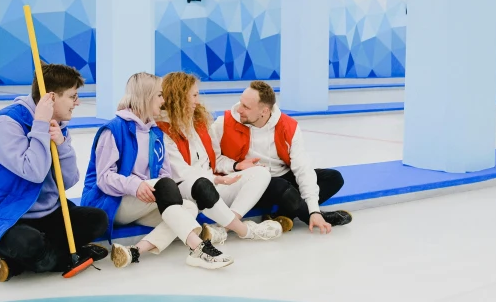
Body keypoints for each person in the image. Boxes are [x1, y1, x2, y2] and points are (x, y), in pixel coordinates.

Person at [0, 63, 108, 282]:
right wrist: (39, 125)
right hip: (5, 215)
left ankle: (24, 260)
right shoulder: (6, 124)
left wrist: (62, 145)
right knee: (31, 245)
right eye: (72, 96)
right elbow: (35, 172)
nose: (77, 103)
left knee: (97, 220)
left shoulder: (57, 123)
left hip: (45, 213)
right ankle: (48, 256)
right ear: (51, 98)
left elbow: (68, 181)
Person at [81, 72, 232, 270]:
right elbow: (104, 178)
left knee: (189, 208)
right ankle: (199, 248)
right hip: (113, 203)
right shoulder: (113, 129)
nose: (163, 101)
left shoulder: (155, 133)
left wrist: (149, 188)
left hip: (144, 199)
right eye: (159, 95)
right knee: (167, 189)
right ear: (146, 97)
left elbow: (164, 174)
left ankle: (134, 251)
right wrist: (136, 185)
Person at [211, 80, 352, 234]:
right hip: (251, 182)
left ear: (264, 111)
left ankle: (282, 215)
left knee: (334, 178)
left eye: (246, 107)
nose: (239, 109)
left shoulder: (288, 126)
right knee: (282, 188)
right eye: (240, 102)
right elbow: (214, 161)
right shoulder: (223, 124)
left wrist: (313, 208)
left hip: (282, 176)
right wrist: (236, 165)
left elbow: (302, 167)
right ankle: (311, 216)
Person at [157, 72, 282, 243]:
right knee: (201, 184)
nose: (197, 100)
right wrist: (216, 179)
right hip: (188, 192)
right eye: (194, 95)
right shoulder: (162, 130)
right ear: (179, 96)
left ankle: (225, 227)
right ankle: (244, 230)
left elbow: (215, 160)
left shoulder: (199, 122)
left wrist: (237, 166)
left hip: (212, 187)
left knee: (260, 173)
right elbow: (181, 174)